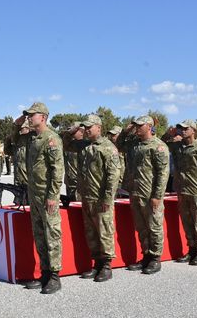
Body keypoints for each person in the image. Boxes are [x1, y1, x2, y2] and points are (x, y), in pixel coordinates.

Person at [17, 102, 64, 294]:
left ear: (43, 117)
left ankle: (54, 276)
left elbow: (57, 169)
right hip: (34, 193)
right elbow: (14, 136)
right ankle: (44, 272)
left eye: (32, 115)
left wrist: (53, 195)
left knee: (51, 234)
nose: (29, 117)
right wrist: (18, 122)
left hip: (47, 195)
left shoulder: (51, 138)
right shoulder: (32, 138)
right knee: (39, 234)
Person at [120, 115, 169, 275]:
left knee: (154, 227)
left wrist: (157, 195)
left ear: (149, 126)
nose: (137, 128)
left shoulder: (158, 146)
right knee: (141, 227)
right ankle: (146, 255)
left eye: (140, 125)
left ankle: (155, 258)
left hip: (150, 194)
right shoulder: (134, 144)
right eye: (136, 125)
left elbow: (163, 174)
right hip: (136, 193)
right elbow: (118, 145)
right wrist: (125, 132)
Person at [76, 115, 120, 282]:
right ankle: (97, 264)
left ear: (99, 128)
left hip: (101, 199)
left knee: (104, 232)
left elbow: (113, 175)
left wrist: (108, 199)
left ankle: (107, 266)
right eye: (85, 127)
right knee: (92, 233)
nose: (86, 130)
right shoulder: (87, 147)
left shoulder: (107, 147)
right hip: (88, 197)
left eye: (90, 127)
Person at [169, 120, 197, 266]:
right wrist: (169, 133)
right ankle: (192, 249)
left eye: (185, 128)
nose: (182, 131)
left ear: (193, 130)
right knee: (187, 222)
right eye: (180, 128)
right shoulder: (178, 147)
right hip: (182, 191)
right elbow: (161, 143)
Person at [62, 122, 84, 202]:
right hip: (69, 183)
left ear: (81, 133)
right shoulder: (67, 145)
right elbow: (62, 137)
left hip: (79, 184)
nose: (70, 134)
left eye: (73, 132)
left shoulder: (84, 145)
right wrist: (70, 132)